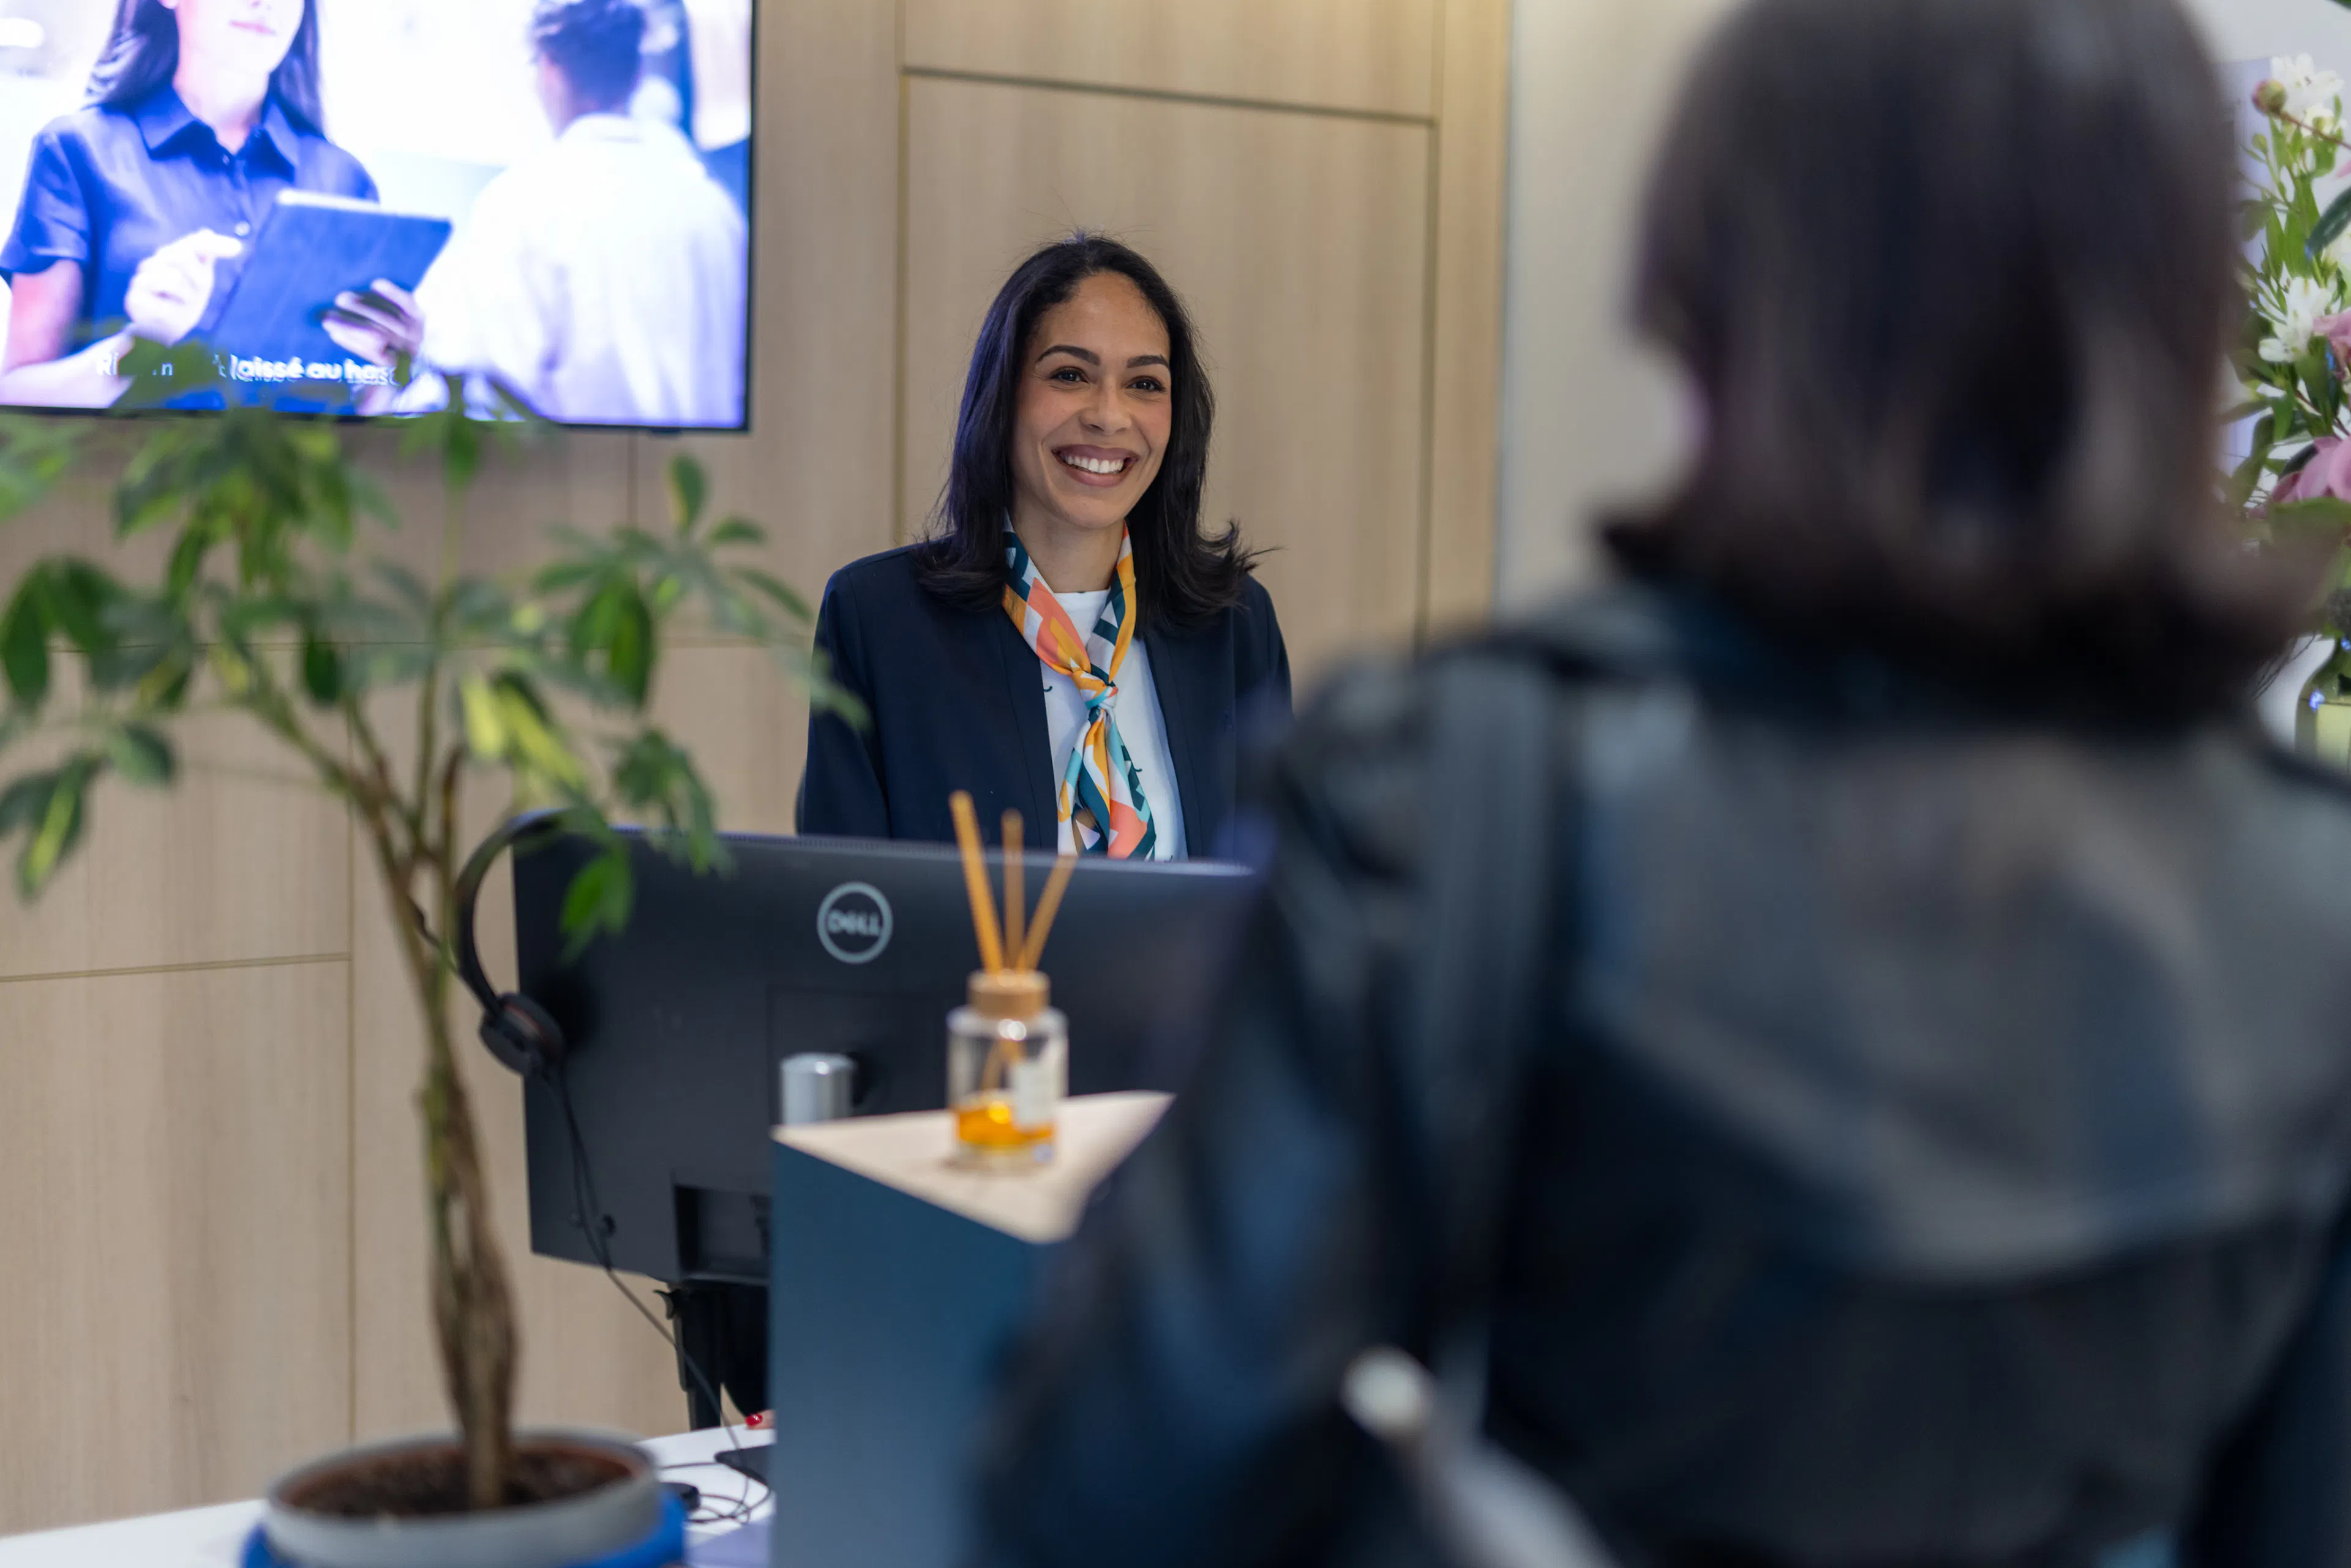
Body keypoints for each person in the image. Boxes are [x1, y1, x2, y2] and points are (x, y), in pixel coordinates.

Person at [974, 1, 2351, 1564]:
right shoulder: (2313, 898)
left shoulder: (1456, 789)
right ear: (2179, 313)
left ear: (1705, 284)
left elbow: (1109, 1493)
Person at [798, 234, 1292, 859]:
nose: (1109, 416)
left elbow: (1282, 898)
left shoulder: (1236, 627)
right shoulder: (877, 621)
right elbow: (847, 910)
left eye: (1144, 383)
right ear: (1002, 397)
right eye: (1070, 374)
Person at [0, 0, 418, 408]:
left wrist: (389, 372)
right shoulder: (78, 152)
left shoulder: (345, 181)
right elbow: (16, 396)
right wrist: (140, 348)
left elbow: (353, 411)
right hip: (124, 474)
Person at [409, 0, 748, 428]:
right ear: (637, 75)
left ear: (548, 70)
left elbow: (476, 391)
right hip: (708, 481)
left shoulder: (524, 202)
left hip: (573, 485)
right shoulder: (715, 210)